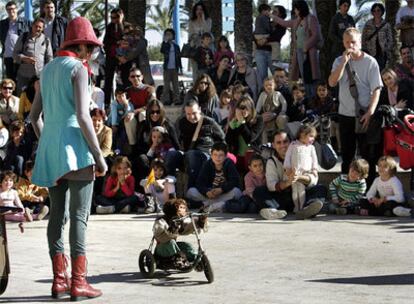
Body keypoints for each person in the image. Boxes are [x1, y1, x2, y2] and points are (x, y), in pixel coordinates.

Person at [29, 17, 107, 300]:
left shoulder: (47, 69)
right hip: (78, 148)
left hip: (51, 148)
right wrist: (100, 156)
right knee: (79, 218)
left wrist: (48, 142)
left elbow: (33, 118)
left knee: (56, 218)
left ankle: (58, 281)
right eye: (91, 47)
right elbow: (84, 117)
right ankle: (79, 282)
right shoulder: (79, 68)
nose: (92, 53)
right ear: (83, 45)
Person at [328, 27, 383, 186]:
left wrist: (371, 111)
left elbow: (376, 89)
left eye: (353, 42)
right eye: (347, 42)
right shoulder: (339, 61)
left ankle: (369, 189)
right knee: (347, 156)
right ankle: (346, 189)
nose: (350, 45)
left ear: (360, 42)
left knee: (367, 157)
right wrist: (343, 63)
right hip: (345, 115)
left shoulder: (370, 62)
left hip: (364, 115)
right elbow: (332, 82)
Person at [253, 131, 326, 220]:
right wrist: (288, 182)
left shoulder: (304, 155)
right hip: (284, 197)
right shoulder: (271, 161)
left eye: (285, 141)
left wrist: (299, 177)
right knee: (259, 191)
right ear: (273, 145)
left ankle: (307, 209)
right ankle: (273, 211)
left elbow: (314, 180)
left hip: (302, 195)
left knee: (321, 188)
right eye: (279, 143)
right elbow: (271, 185)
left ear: (291, 142)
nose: (283, 145)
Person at [170, 100, 225, 187]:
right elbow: (175, 139)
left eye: (194, 113)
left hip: (205, 153)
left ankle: (194, 188)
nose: (191, 117)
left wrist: (216, 151)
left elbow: (222, 139)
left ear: (199, 109)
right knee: (172, 155)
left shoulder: (209, 122)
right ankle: (168, 186)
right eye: (188, 114)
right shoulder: (181, 122)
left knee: (194, 156)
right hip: (188, 154)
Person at [273, 0, 322, 98]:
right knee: (305, 76)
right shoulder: (297, 21)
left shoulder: (311, 19)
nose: (294, 11)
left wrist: (306, 46)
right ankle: (308, 98)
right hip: (299, 52)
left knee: (312, 76)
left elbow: (316, 35)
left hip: (309, 52)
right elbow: (284, 23)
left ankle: (314, 98)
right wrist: (272, 16)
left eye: (295, 9)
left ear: (300, 9)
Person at [187, 142, 242, 212]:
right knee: (191, 192)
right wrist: (206, 192)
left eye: (220, 155)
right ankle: (216, 205)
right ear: (211, 155)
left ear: (225, 156)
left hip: (223, 193)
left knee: (237, 192)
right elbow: (199, 183)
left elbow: (234, 181)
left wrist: (222, 189)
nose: (217, 158)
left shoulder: (229, 164)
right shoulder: (207, 164)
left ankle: (205, 204)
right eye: (215, 155)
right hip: (210, 194)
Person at [152, 198, 207, 267]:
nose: (184, 210)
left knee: (187, 246)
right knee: (171, 242)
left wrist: (200, 220)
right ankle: (178, 259)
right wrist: (170, 228)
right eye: (181, 207)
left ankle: (195, 259)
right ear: (173, 209)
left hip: (173, 246)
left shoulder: (180, 221)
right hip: (162, 249)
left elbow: (187, 228)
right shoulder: (162, 220)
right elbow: (157, 232)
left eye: (184, 207)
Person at [284, 124, 318, 213]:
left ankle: (302, 207)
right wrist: (287, 167)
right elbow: (288, 156)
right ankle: (296, 206)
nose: (312, 139)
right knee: (295, 190)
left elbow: (314, 159)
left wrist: (314, 169)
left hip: (305, 173)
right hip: (294, 172)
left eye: (313, 137)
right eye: (310, 136)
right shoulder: (293, 144)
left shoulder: (311, 147)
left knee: (302, 191)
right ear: (302, 134)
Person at [13, 17, 53, 94]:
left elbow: (49, 58)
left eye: (40, 27)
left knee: (38, 101)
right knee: (22, 99)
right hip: (23, 75)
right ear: (32, 25)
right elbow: (15, 54)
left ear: (43, 28)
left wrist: (47, 72)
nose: (37, 28)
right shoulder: (23, 37)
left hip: (39, 76)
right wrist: (25, 58)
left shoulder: (46, 40)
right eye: (36, 26)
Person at [225, 95, 264, 173]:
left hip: (252, 155)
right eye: (241, 108)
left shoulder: (258, 119)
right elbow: (228, 140)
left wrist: (242, 122)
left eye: (246, 108)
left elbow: (250, 139)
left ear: (251, 108)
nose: (244, 110)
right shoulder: (235, 121)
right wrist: (233, 124)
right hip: (238, 155)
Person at [124, 67, 155, 148]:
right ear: (129, 78)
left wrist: (134, 112)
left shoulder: (150, 89)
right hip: (132, 115)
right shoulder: (127, 91)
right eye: (132, 76)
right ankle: (133, 146)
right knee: (128, 119)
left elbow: (151, 105)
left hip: (146, 115)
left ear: (142, 77)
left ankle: (143, 142)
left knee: (142, 114)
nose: (135, 78)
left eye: (138, 76)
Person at [0, 1, 31, 81]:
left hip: (21, 56)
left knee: (22, 80)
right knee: (10, 81)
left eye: (13, 9)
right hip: (8, 56)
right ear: (6, 11)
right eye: (9, 9)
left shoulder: (25, 22)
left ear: (16, 9)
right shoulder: (2, 24)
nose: (11, 11)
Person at [103, 8, 125, 106]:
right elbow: (106, 43)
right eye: (111, 17)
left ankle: (124, 102)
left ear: (121, 16)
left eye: (116, 17)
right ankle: (107, 104)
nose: (113, 20)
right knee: (108, 82)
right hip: (111, 58)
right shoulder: (109, 27)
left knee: (124, 81)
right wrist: (116, 44)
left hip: (124, 60)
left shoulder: (126, 27)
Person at [256, 76, 288, 144]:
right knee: (261, 125)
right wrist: (258, 115)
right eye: (266, 85)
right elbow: (258, 107)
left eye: (270, 85)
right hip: (266, 116)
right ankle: (264, 145)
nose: (268, 87)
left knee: (281, 119)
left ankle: (282, 138)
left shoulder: (278, 94)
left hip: (277, 115)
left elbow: (284, 103)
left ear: (274, 85)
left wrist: (282, 112)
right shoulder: (262, 95)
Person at [362, 3, 393, 71]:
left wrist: (386, 49)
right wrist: (364, 50)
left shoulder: (386, 25)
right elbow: (363, 38)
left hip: (382, 54)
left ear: (382, 11)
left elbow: (390, 39)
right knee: (371, 71)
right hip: (370, 53)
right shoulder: (368, 24)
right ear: (372, 12)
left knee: (382, 71)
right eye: (374, 10)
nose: (376, 12)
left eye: (378, 10)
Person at [188, 1, 212, 81]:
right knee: (195, 71)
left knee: (207, 70)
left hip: (206, 49)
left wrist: (203, 20)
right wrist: (195, 36)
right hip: (195, 49)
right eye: (197, 9)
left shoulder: (208, 20)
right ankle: (196, 90)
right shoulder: (191, 22)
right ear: (195, 11)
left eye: (201, 9)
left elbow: (207, 32)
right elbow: (190, 35)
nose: (199, 11)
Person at [253, 3, 274, 87]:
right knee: (268, 75)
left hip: (263, 49)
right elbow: (267, 29)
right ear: (263, 11)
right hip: (263, 49)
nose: (269, 13)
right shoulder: (264, 18)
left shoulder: (258, 18)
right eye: (268, 11)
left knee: (262, 76)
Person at [160, 28, 182, 105]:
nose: (168, 36)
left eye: (170, 34)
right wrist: (165, 41)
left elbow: (179, 58)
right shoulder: (165, 44)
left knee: (176, 85)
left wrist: (181, 68)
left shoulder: (176, 46)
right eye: (166, 34)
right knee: (166, 86)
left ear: (173, 36)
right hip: (167, 68)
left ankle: (177, 100)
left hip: (175, 68)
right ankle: (166, 100)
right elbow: (162, 50)